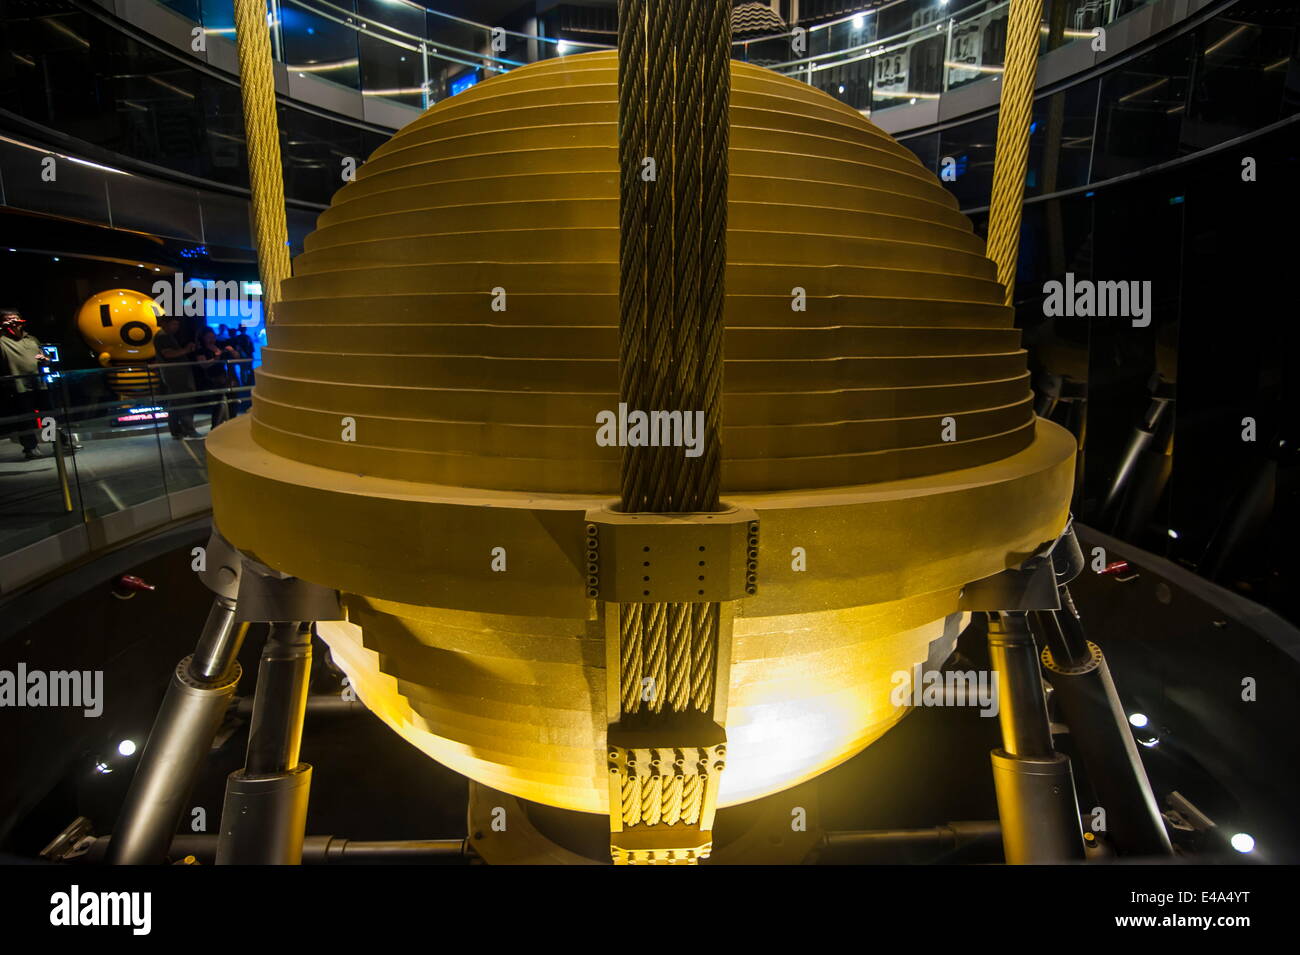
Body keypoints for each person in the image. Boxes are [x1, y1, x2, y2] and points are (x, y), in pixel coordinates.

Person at [1, 309, 49, 459]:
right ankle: (30, 448)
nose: (13, 321)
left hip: (39, 382)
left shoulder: (31, 338)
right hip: (18, 386)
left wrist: (45, 359)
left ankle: (59, 443)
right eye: (8, 319)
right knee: (26, 419)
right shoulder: (1, 339)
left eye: (15, 318)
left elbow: (45, 355)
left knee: (49, 415)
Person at [152, 315, 201, 439]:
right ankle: (189, 429)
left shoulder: (165, 335)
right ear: (165, 324)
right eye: (174, 324)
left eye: (177, 324)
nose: (176, 327)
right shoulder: (163, 336)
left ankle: (177, 431)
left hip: (174, 374)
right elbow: (168, 354)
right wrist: (186, 350)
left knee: (175, 402)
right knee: (184, 400)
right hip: (175, 374)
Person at [195, 326, 239, 428]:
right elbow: (203, 364)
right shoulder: (201, 350)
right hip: (212, 380)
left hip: (226, 378)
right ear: (203, 337)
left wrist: (232, 351)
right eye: (209, 337)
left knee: (233, 402)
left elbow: (236, 357)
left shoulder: (220, 344)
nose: (212, 339)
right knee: (218, 405)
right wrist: (216, 358)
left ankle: (232, 426)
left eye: (213, 336)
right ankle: (215, 428)